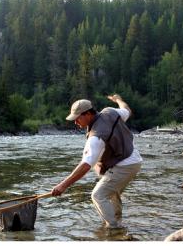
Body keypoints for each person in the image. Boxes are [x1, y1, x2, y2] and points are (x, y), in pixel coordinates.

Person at [51, 94, 142, 230]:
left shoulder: (96, 136)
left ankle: (114, 228)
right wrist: (118, 100)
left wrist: (63, 185)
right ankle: (117, 221)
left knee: (98, 195)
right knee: (111, 192)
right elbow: (127, 110)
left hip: (125, 164)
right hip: (134, 160)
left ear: (87, 114)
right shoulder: (110, 112)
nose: (75, 122)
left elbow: (86, 165)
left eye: (77, 118)